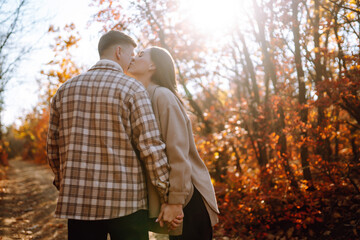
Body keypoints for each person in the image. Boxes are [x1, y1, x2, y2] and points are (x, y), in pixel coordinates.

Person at [46, 31, 183, 240]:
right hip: (127, 204)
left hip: (80, 204)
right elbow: (151, 147)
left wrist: (65, 185)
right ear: (119, 52)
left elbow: (53, 149)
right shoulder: (132, 88)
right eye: (131, 54)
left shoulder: (64, 90)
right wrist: (167, 196)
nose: (131, 60)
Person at [127, 46, 220, 240]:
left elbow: (178, 152)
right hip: (176, 197)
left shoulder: (163, 96)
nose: (134, 57)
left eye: (141, 55)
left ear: (153, 65)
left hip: (188, 197)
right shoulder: (143, 97)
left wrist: (176, 202)